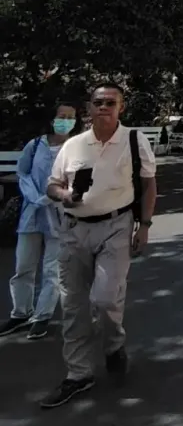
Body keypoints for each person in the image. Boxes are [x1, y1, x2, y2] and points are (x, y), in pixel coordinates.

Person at [41, 83, 157, 409]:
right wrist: (65, 195)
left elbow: (149, 185)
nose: (103, 107)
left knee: (105, 298)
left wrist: (145, 226)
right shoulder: (74, 145)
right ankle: (78, 374)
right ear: (89, 108)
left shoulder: (134, 140)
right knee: (74, 306)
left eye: (110, 102)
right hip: (73, 230)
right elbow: (52, 185)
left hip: (116, 227)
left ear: (121, 107)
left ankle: (113, 344)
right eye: (98, 102)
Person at [0, 101, 80, 342]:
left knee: (52, 269)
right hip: (32, 212)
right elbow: (22, 173)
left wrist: (58, 197)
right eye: (62, 116)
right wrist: (36, 197)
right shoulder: (35, 145)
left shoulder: (77, 148)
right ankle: (20, 312)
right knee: (23, 265)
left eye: (71, 117)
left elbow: (81, 180)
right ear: (52, 118)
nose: (65, 121)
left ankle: (42, 316)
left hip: (60, 214)